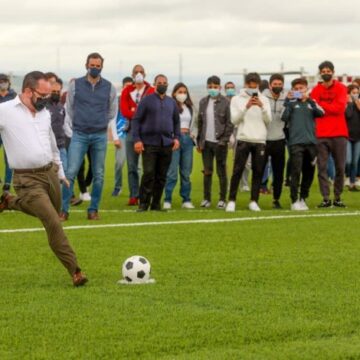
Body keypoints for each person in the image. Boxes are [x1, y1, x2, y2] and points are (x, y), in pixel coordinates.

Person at [0, 71, 87, 286]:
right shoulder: (5, 111)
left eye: (49, 96)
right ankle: (75, 271)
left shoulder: (44, 112)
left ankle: (9, 201)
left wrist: (60, 173)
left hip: (50, 173)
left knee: (51, 212)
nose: (47, 100)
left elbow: (52, 144)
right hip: (26, 179)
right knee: (53, 222)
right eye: (42, 95)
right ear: (28, 91)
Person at [60, 52, 118, 221]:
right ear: (86, 65)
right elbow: (69, 108)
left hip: (100, 136)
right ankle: (64, 210)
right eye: (92, 65)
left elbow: (112, 111)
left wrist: (100, 123)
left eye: (97, 66)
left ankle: (93, 210)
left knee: (99, 175)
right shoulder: (75, 85)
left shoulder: (109, 87)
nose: (94, 68)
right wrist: (79, 123)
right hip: (79, 134)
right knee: (70, 172)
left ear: (102, 67)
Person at [131, 74, 180, 211]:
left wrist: (176, 137)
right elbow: (136, 120)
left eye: (165, 82)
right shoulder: (146, 101)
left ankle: (156, 204)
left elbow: (176, 122)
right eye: (160, 82)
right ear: (154, 84)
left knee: (161, 176)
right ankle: (143, 203)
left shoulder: (172, 102)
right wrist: (137, 140)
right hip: (149, 143)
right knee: (148, 173)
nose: (162, 84)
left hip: (166, 143)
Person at [226, 72, 272, 212]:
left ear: (258, 85)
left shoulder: (264, 99)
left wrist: (261, 107)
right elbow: (234, 120)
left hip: (260, 139)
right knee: (237, 171)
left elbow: (268, 120)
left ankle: (253, 201)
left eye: (255, 86)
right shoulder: (236, 99)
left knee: (258, 171)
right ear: (245, 84)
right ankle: (232, 201)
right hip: (243, 138)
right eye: (250, 85)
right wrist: (246, 107)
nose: (252, 88)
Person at [282, 78, 324, 210]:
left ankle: (303, 198)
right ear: (293, 90)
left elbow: (322, 113)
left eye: (301, 88)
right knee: (296, 172)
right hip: (296, 143)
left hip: (311, 144)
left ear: (306, 89)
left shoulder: (313, 103)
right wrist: (289, 101)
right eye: (296, 89)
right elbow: (284, 117)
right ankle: (294, 200)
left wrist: (309, 100)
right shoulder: (291, 103)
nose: (299, 91)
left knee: (309, 173)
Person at [310, 60, 348, 207]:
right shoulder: (315, 90)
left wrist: (322, 105)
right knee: (322, 168)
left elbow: (339, 108)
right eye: (323, 71)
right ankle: (326, 198)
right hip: (321, 134)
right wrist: (325, 106)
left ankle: (337, 197)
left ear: (333, 71)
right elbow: (314, 109)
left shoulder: (341, 88)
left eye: (328, 71)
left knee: (340, 167)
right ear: (320, 73)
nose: (326, 73)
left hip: (339, 133)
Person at [120, 65, 155, 206]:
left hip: (148, 132)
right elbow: (124, 110)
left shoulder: (151, 90)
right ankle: (134, 194)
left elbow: (152, 110)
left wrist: (134, 110)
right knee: (132, 166)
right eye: (136, 72)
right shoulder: (126, 91)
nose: (139, 74)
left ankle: (146, 194)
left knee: (149, 167)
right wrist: (139, 114)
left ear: (145, 74)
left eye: (141, 72)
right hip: (131, 132)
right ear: (132, 74)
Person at [197, 75, 233, 209]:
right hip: (206, 143)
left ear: (220, 87)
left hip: (220, 143)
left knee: (221, 171)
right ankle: (206, 198)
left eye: (215, 87)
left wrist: (224, 140)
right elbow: (200, 123)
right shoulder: (202, 102)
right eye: (210, 87)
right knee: (207, 171)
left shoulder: (226, 102)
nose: (213, 89)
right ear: (207, 87)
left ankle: (223, 198)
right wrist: (199, 141)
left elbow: (230, 123)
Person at [163, 83, 197, 209]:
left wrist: (193, 135)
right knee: (172, 172)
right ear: (174, 93)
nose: (182, 94)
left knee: (186, 172)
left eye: (184, 91)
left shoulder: (190, 107)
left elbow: (196, 122)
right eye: (180, 91)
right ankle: (167, 199)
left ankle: (186, 199)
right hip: (174, 140)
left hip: (187, 140)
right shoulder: (170, 106)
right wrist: (171, 137)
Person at [262, 73, 287, 208]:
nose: (277, 86)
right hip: (264, 139)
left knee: (278, 172)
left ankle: (276, 199)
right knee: (259, 170)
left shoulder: (287, 98)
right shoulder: (262, 97)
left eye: (280, 84)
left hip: (279, 140)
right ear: (270, 85)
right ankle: (254, 199)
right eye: (275, 84)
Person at [110, 76, 134, 196]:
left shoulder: (137, 100)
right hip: (121, 135)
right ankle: (118, 186)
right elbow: (112, 119)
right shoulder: (118, 100)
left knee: (136, 166)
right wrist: (115, 137)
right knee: (119, 163)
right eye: (126, 86)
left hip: (135, 135)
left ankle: (135, 190)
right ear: (123, 87)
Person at [0, 74, 17, 192]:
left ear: (8, 82)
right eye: (1, 81)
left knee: (9, 159)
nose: (3, 83)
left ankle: (7, 184)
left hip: (8, 130)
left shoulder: (13, 95)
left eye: (5, 81)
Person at [47, 77, 67, 171]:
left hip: (60, 145)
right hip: (47, 146)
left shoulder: (61, 108)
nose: (56, 93)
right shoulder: (43, 106)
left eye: (58, 91)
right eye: (53, 91)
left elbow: (63, 124)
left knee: (64, 169)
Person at [345, 84, 360, 190]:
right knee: (348, 161)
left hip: (358, 137)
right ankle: (346, 176)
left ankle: (352, 183)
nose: (355, 95)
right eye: (353, 93)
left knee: (355, 161)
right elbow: (348, 115)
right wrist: (350, 103)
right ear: (349, 93)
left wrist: (358, 104)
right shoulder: (346, 104)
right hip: (348, 137)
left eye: (357, 93)